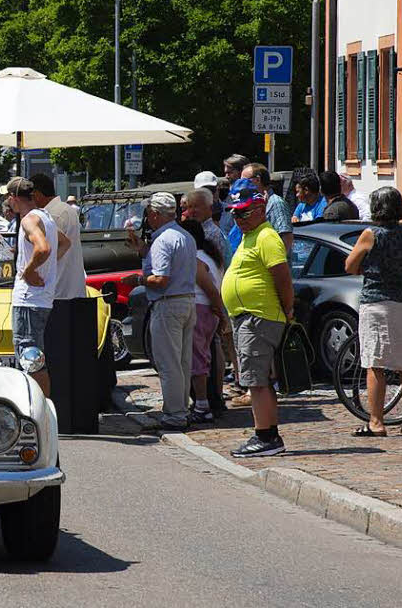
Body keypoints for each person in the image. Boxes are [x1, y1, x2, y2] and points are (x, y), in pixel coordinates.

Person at [221, 178, 294, 457]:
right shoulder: (249, 236)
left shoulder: (266, 236)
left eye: (243, 211)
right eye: (234, 212)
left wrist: (287, 309)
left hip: (259, 317)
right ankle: (267, 434)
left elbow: (282, 275)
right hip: (247, 317)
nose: (238, 217)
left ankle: (265, 437)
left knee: (256, 381)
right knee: (257, 379)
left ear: (261, 208)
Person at [345, 187, 402, 437]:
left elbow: (349, 265)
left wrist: (363, 268)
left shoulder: (371, 233)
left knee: (375, 363)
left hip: (377, 302)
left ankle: (377, 422)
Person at [124, 192, 206, 431]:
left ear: (155, 214)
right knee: (181, 362)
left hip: (168, 303)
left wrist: (137, 280)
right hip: (187, 301)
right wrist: (142, 249)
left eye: (149, 213)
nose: (147, 217)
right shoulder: (185, 236)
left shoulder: (162, 240)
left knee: (168, 363)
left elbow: (160, 278)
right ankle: (180, 409)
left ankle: (174, 414)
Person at [6, 177, 68, 396]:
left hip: (29, 300)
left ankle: (41, 412)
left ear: (14, 198)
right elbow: (63, 243)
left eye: (8, 197)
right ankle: (42, 410)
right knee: (34, 357)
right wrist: (45, 268)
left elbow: (43, 248)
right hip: (41, 298)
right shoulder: (46, 217)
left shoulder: (29, 220)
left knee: (30, 358)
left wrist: (30, 271)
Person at [180, 218, 228, 423]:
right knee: (210, 355)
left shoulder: (196, 259)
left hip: (201, 308)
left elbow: (208, 287)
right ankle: (214, 398)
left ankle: (202, 404)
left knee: (198, 359)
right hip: (210, 311)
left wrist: (219, 309)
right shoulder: (211, 256)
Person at [30, 174, 84, 301]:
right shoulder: (66, 209)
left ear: (37, 194)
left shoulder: (52, 215)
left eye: (30, 197)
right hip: (71, 288)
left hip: (58, 291)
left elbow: (48, 250)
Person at [241, 163, 293, 251]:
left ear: (257, 180)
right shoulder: (254, 203)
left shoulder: (276, 203)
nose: (241, 185)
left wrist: (276, 262)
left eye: (244, 181)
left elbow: (286, 238)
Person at [182, 188, 231, 267]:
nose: (192, 210)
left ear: (210, 208)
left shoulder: (212, 233)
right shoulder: (194, 231)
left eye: (197, 206)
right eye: (190, 206)